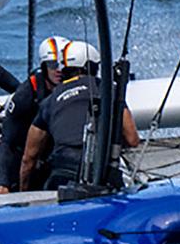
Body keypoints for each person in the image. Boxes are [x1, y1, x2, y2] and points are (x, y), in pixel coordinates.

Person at [19, 39, 141, 191]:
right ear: (92, 66)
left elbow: (29, 158)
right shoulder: (108, 90)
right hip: (99, 171)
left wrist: (23, 193)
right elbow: (132, 139)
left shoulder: (49, 101)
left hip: (61, 172)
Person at [0, 35, 67, 193]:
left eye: (63, 64)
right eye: (53, 65)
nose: (59, 70)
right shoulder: (25, 96)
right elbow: (8, 143)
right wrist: (4, 184)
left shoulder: (75, 87)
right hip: (27, 152)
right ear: (44, 66)